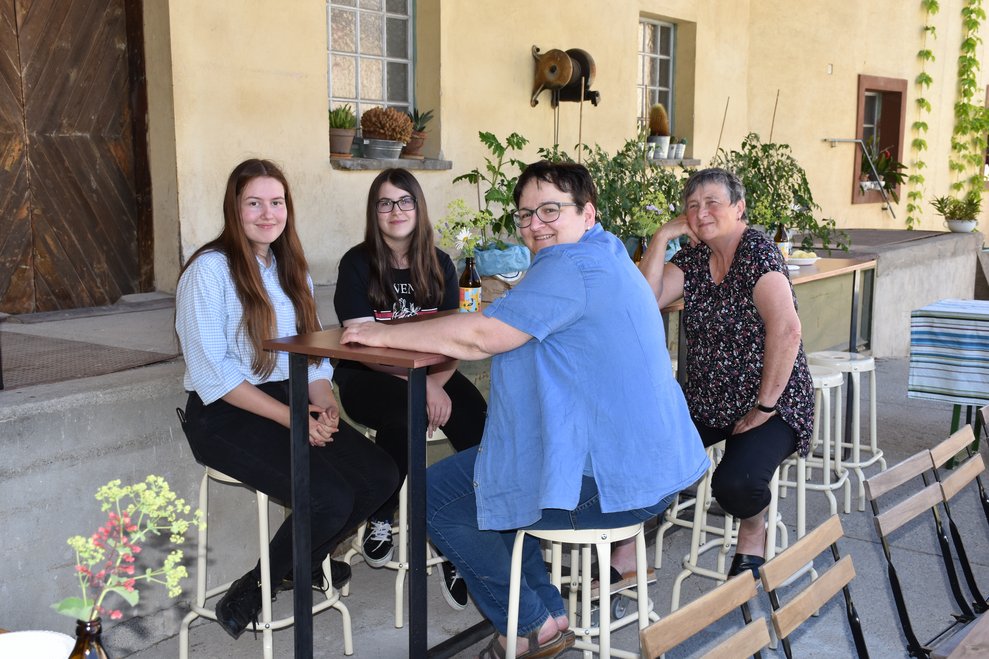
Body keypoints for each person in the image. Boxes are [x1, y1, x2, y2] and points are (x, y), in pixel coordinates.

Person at [341, 161, 708, 659]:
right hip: (655, 471)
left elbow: (480, 337)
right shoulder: (609, 251)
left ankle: (527, 625)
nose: (536, 224)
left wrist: (382, 334)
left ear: (587, 213)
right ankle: (547, 616)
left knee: (436, 497)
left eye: (551, 210)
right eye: (526, 215)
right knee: (502, 474)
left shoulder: (567, 265)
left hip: (611, 484)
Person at [175, 158, 398, 640]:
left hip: (288, 398)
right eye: (254, 203)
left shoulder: (289, 268)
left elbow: (312, 355)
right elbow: (214, 373)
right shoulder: (209, 270)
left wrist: (323, 402)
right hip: (225, 413)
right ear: (234, 209)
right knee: (329, 497)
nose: (267, 214)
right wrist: (295, 418)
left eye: (276, 202)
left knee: (380, 475)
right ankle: (254, 589)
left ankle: (303, 562)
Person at [639, 167, 814, 578]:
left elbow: (787, 329)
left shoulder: (757, 254)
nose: (701, 212)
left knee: (737, 484)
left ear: (739, 208)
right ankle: (629, 556)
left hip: (772, 399)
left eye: (712, 202)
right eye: (692, 205)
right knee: (641, 451)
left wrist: (764, 407)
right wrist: (663, 236)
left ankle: (753, 528)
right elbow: (644, 301)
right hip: (708, 398)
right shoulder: (695, 257)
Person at [333, 168, 487, 609]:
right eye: (385, 202)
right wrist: (420, 386)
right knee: (405, 414)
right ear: (374, 211)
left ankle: (459, 539)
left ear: (418, 208)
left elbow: (457, 337)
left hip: (432, 373)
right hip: (367, 375)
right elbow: (360, 344)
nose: (395, 210)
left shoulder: (439, 264)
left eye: (405, 201)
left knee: (479, 424)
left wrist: (434, 382)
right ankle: (382, 512)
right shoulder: (357, 263)